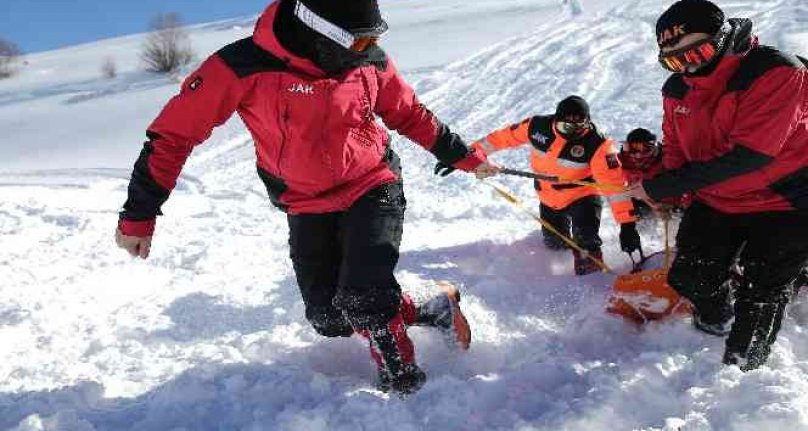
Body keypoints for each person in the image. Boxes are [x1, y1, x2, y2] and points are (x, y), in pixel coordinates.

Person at [114, 0, 499, 395]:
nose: (369, 49)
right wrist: (139, 216)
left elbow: (409, 113)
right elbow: (173, 136)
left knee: (366, 294)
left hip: (372, 182)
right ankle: (432, 306)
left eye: (373, 38)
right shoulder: (241, 66)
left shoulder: (368, 60)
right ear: (319, 31)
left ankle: (405, 388)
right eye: (360, 40)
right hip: (305, 202)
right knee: (329, 316)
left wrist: (465, 157)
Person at [627, 0, 808, 371]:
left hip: (785, 200)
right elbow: (675, 144)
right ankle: (715, 322)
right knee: (689, 275)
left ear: (724, 37)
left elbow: (753, 155)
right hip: (718, 199)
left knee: (763, 292)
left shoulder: (775, 72)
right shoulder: (677, 89)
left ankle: (742, 376)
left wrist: (665, 187)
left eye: (698, 52)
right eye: (677, 61)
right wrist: (666, 186)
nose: (689, 66)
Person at [441, 96, 641, 275]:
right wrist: (465, 157)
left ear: (588, 123)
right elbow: (500, 139)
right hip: (548, 198)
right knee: (554, 244)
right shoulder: (536, 127)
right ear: (556, 120)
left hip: (583, 197)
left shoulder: (599, 145)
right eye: (566, 128)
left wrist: (627, 225)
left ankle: (591, 280)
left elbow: (615, 188)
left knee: (585, 242)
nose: (573, 133)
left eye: (579, 128)